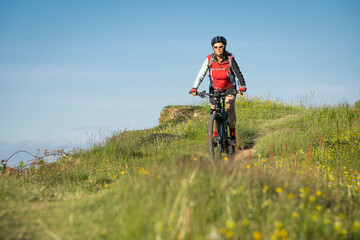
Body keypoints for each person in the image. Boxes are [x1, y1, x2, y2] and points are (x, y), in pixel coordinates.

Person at [189, 36, 247, 143]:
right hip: (214, 88)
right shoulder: (209, 59)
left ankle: (232, 134)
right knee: (214, 109)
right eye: (216, 47)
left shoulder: (230, 59)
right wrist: (194, 87)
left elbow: (238, 74)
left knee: (229, 108)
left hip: (229, 87)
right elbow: (201, 74)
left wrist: (242, 86)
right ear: (213, 48)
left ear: (224, 47)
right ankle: (215, 135)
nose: (218, 49)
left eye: (221, 47)